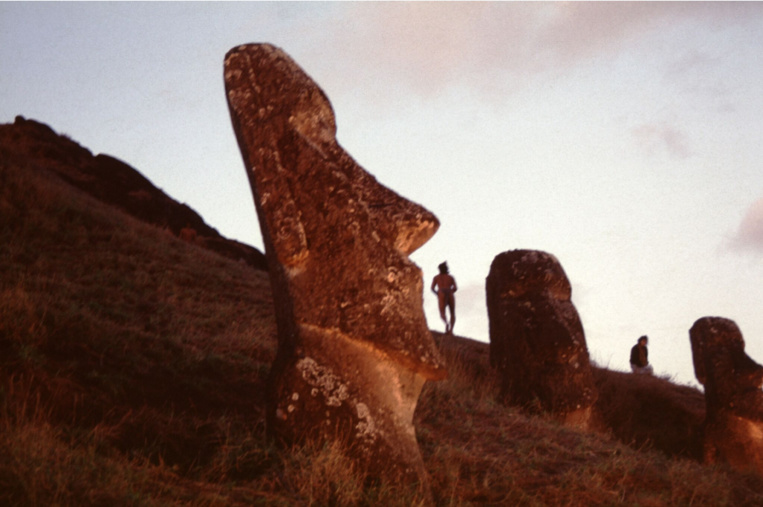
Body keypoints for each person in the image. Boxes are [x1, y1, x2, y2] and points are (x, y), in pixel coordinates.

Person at [431, 261, 457, 334]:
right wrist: (451, 291)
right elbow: (455, 288)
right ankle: (451, 330)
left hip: (441, 292)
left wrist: (438, 294)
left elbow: (432, 288)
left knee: (442, 312)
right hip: (450, 291)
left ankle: (446, 323)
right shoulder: (450, 277)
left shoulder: (436, 277)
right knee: (452, 312)